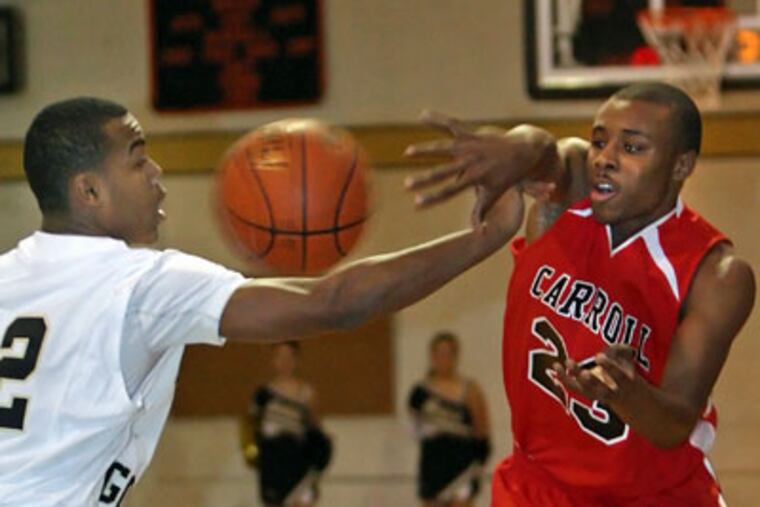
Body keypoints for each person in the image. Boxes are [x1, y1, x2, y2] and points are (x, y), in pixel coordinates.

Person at [0, 97, 539, 506]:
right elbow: (334, 302)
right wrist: (484, 239)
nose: (157, 175)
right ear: (89, 191)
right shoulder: (140, 283)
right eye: (139, 161)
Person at [405, 83, 756, 506]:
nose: (606, 158)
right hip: (539, 487)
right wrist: (513, 146)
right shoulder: (568, 199)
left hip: (653, 496)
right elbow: (546, 151)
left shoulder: (714, 274)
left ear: (681, 165)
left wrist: (626, 393)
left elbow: (675, 423)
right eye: (600, 140)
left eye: (632, 147)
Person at [408, 332, 490, 507]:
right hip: (433, 463)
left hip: (463, 463)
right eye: (439, 354)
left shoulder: (470, 389)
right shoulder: (420, 393)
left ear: (456, 355)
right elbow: (416, 429)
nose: (443, 359)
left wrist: (479, 463)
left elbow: (482, 430)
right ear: (432, 356)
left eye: (448, 354)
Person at [243, 341, 331, 507]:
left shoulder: (307, 394)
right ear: (273, 360)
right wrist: (253, 454)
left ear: (296, 360)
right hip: (273, 462)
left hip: (299, 459)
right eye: (280, 357)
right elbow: (250, 425)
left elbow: (316, 429)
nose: (285, 362)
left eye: (289, 357)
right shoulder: (263, 395)